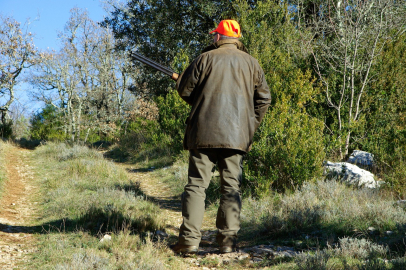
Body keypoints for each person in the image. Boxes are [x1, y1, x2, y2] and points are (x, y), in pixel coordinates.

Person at [171, 19, 271, 254]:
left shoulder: (204, 59)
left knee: (196, 186)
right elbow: (264, 100)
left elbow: (185, 90)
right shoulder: (252, 63)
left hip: (202, 133)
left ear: (218, 37)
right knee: (230, 188)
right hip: (237, 137)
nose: (212, 38)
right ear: (236, 39)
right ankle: (227, 242)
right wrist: (249, 125)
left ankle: (188, 242)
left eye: (214, 35)